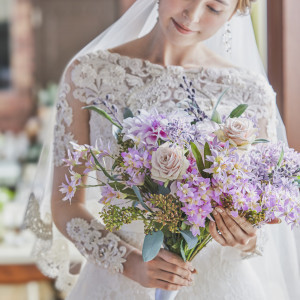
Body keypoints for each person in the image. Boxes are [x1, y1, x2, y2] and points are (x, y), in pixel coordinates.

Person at [24, 0, 300, 299]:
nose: (191, 15)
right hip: (119, 283)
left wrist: (244, 238)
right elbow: (66, 205)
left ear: (236, 13)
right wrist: (129, 262)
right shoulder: (89, 74)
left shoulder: (250, 92)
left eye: (214, 8)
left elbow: (261, 219)